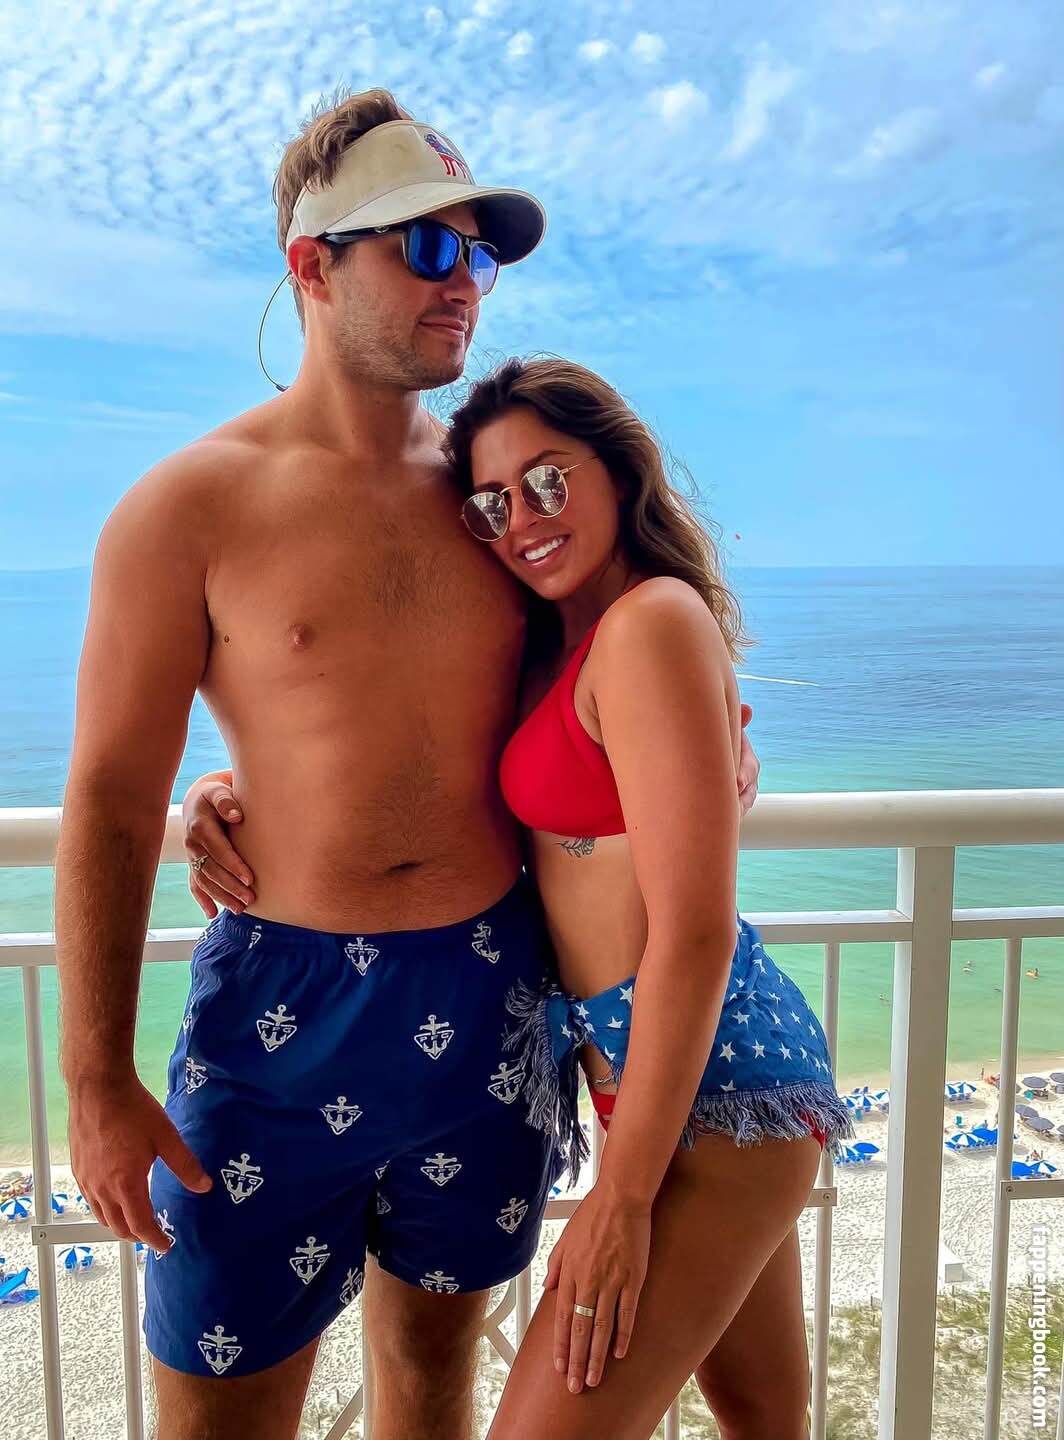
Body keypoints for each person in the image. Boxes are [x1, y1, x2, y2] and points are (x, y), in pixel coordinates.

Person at [53, 87, 763, 1440]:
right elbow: (105, 795)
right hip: (281, 1010)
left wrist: (715, 737)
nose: (465, 285)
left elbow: (613, 663)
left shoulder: (492, 505)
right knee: (218, 1408)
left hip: (488, 993)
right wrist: (95, 1076)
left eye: (478, 255)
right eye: (427, 248)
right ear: (312, 265)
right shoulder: (186, 507)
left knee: (434, 1375)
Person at [188, 357, 851, 1439]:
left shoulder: (651, 621)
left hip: (718, 1085)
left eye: (547, 480)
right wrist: (225, 789)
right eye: (493, 503)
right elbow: (406, 763)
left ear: (619, 470)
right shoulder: (559, 643)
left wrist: (619, 1198)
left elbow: (691, 932)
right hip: (651, 1073)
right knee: (765, 1416)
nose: (524, 520)